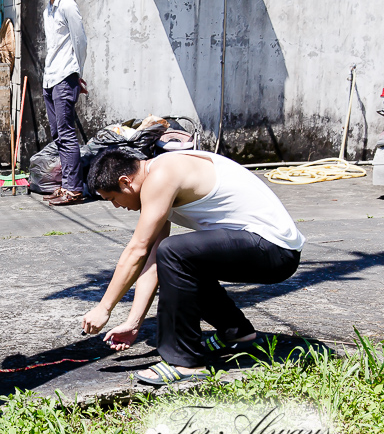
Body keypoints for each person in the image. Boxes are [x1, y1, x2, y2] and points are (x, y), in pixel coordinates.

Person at [81, 147, 305, 386]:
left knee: (177, 252)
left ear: (125, 182)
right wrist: (133, 322)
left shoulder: (162, 176)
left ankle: (184, 362)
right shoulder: (161, 172)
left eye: (112, 198)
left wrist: (104, 308)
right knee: (179, 257)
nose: (117, 206)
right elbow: (153, 260)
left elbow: (137, 250)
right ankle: (238, 333)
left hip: (274, 250)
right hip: (268, 249)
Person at [36, 0, 88, 206]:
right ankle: (66, 185)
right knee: (58, 134)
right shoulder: (49, 9)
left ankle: (74, 189)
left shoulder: (67, 5)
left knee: (67, 135)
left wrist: (77, 74)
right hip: (51, 77)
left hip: (64, 77)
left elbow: (81, 41)